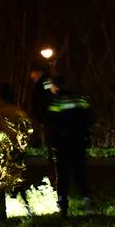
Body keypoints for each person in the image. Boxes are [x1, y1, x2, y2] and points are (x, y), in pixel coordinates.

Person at [0, 83, 35, 219]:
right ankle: (27, 209)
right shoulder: (17, 111)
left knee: (0, 181)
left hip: (2, 153)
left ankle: (2, 212)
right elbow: (27, 129)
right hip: (15, 153)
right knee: (17, 181)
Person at [43, 76, 93, 218]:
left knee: (62, 176)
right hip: (79, 142)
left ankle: (63, 207)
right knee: (80, 173)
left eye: (50, 86)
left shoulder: (57, 101)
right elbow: (90, 117)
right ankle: (87, 203)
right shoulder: (80, 99)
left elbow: (51, 120)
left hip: (62, 144)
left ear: (56, 87)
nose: (49, 89)